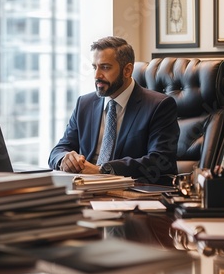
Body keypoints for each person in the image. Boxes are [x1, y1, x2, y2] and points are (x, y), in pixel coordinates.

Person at [48, 36, 179, 184]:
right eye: (94, 67)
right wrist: (65, 159)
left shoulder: (159, 106)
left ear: (127, 70)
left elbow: (160, 160)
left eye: (105, 67)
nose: (97, 75)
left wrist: (103, 170)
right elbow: (57, 151)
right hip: (85, 190)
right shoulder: (84, 104)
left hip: (131, 194)